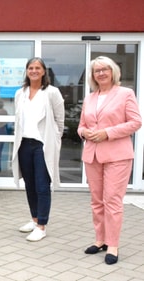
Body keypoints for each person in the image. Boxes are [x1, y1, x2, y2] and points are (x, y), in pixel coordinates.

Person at [78, 56, 141, 265]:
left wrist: (107, 133)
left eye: (105, 69)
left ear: (114, 72)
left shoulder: (125, 94)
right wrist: (84, 132)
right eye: (97, 71)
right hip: (92, 155)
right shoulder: (90, 97)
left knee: (112, 200)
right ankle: (100, 240)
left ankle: (113, 245)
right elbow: (81, 125)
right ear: (93, 75)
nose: (101, 73)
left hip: (117, 155)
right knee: (96, 201)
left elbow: (136, 122)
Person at [11, 57, 64, 242]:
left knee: (42, 186)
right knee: (30, 185)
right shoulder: (21, 93)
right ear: (27, 71)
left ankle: (42, 226)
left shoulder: (51, 92)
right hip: (24, 144)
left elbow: (60, 121)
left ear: (43, 72)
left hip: (42, 145)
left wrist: (55, 141)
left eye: (37, 68)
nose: (34, 71)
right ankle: (34, 220)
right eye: (31, 68)